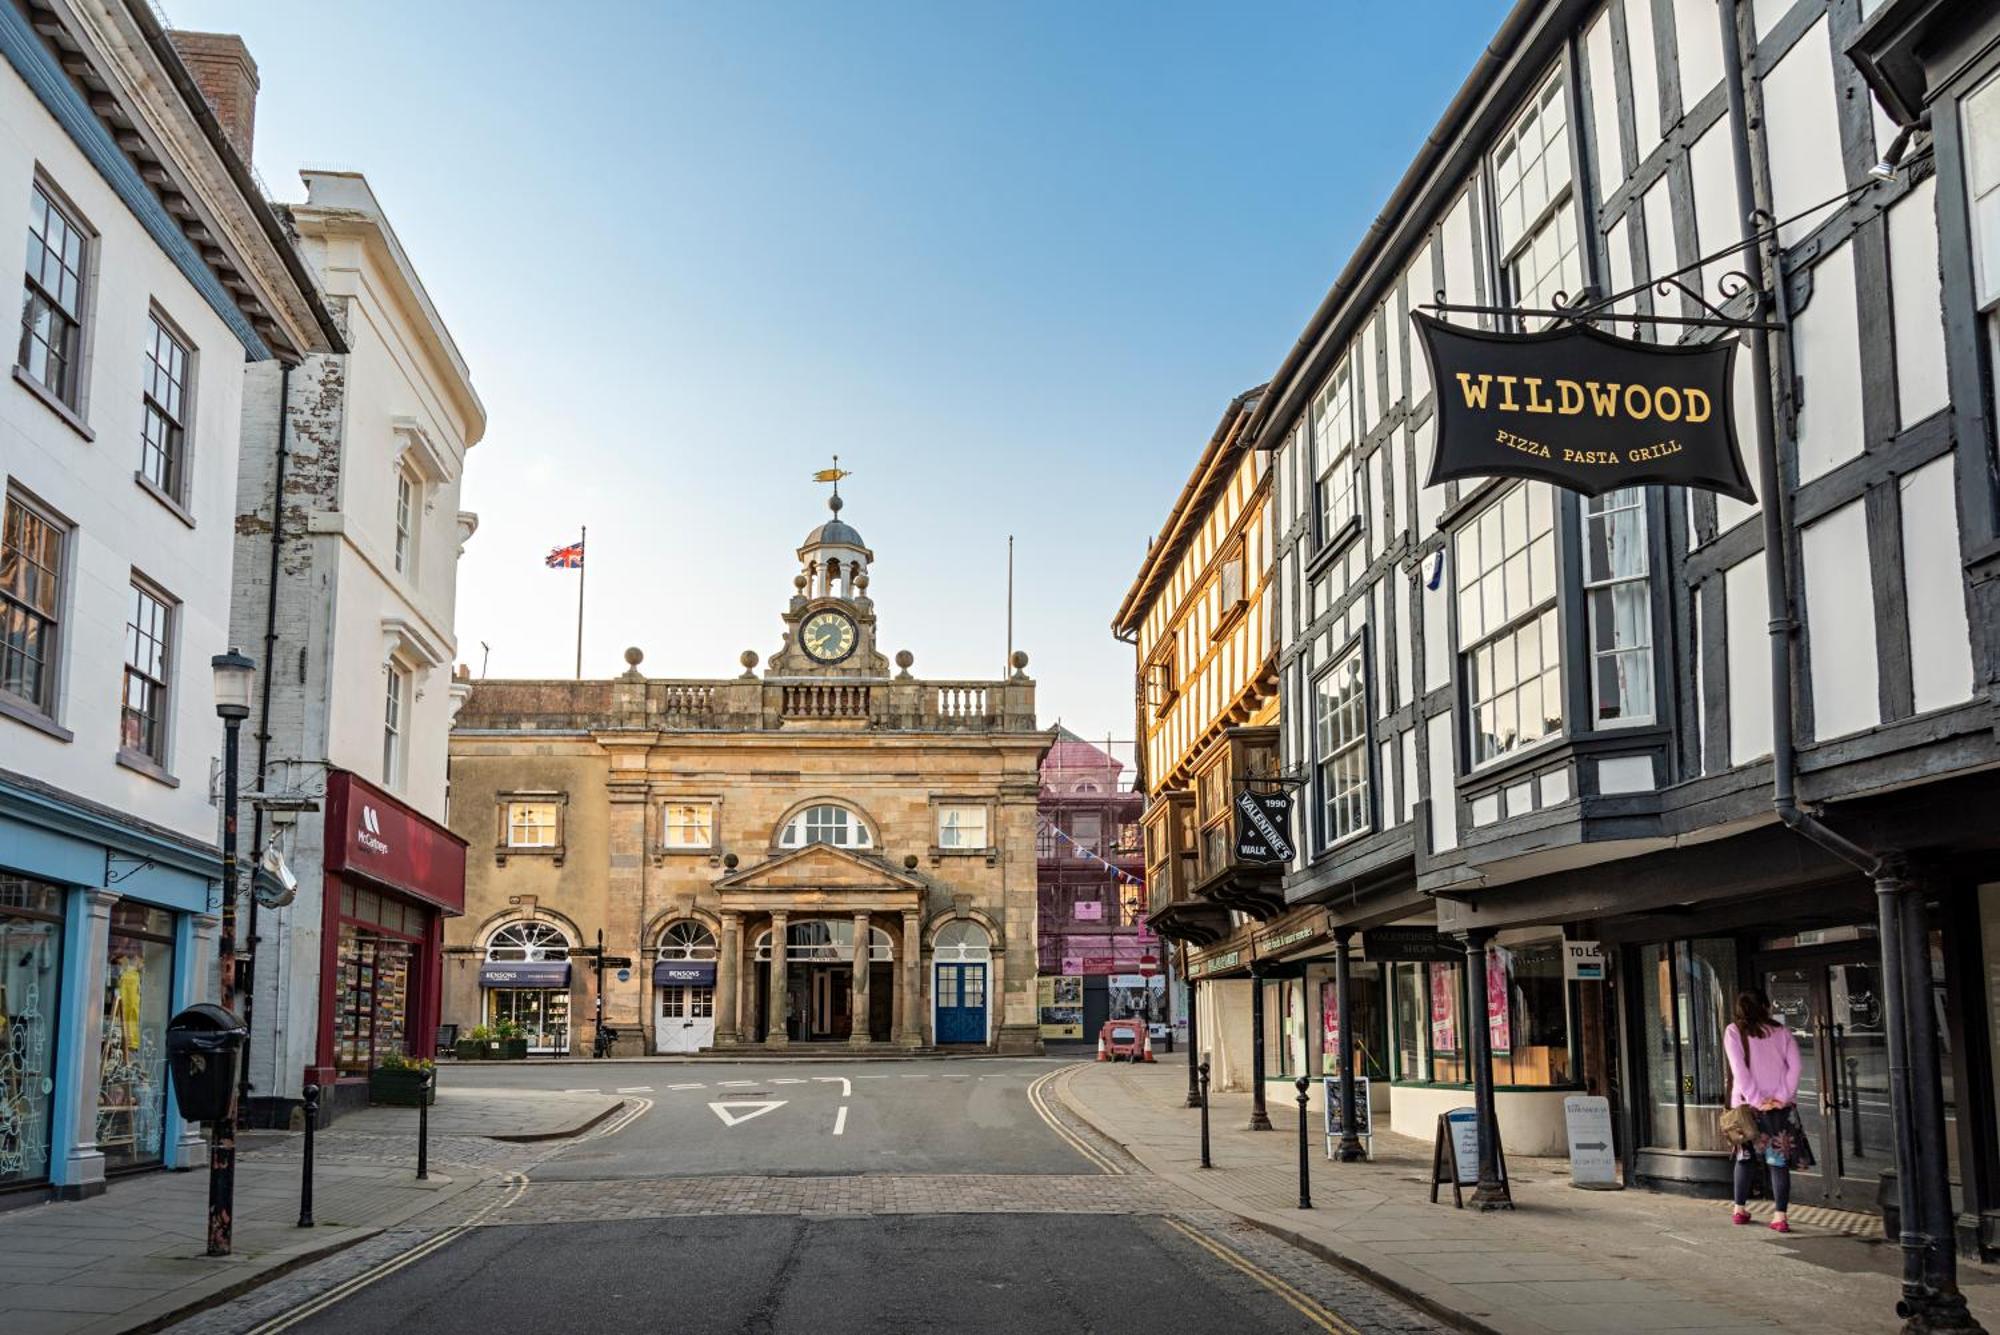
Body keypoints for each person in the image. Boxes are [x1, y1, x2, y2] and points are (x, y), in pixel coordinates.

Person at [1723, 988, 1813, 1233]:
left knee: (1745, 1158)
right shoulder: (1782, 1032)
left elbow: (1738, 1070)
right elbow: (1795, 1066)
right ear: (1765, 1006)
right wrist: (1780, 1097)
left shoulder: (1734, 1032)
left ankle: (1739, 1210)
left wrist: (1756, 1099)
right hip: (1779, 1110)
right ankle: (1780, 1216)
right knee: (1778, 1162)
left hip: (1746, 1108)